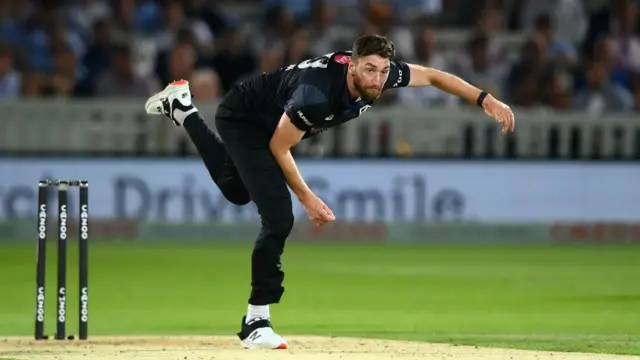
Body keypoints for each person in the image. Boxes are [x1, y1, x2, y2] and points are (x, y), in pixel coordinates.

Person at [144, 34, 515, 350]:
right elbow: (279, 147)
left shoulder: (380, 76)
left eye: (384, 71)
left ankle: (182, 109)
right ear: (352, 66)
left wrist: (487, 100)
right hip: (244, 120)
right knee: (278, 217)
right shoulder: (316, 97)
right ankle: (256, 321)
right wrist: (308, 197)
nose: (377, 78)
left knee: (237, 191)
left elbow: (434, 76)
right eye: (369, 69)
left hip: (270, 121)